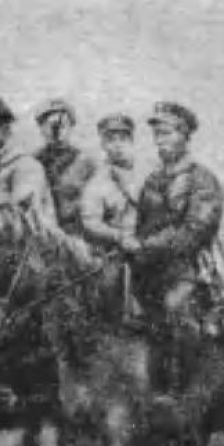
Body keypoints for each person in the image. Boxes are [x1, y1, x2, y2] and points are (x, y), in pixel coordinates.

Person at [124, 101, 224, 397]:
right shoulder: (153, 180)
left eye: (166, 134)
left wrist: (146, 245)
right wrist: (130, 241)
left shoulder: (202, 179)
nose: (159, 141)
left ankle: (185, 394)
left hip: (186, 270)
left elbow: (195, 231)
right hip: (147, 270)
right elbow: (142, 224)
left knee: (176, 312)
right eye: (156, 135)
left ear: (184, 135)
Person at [80, 113, 141, 323]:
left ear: (131, 141)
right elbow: (90, 221)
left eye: (123, 139)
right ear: (103, 144)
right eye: (111, 140)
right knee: (108, 288)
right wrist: (119, 236)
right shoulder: (98, 183)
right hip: (116, 251)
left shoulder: (147, 174)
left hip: (149, 243)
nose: (117, 145)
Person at [32, 98, 97, 236]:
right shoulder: (32, 163)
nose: (56, 131)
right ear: (41, 129)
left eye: (63, 125)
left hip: (77, 234)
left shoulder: (86, 163)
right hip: (43, 233)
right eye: (50, 126)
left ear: (71, 127)